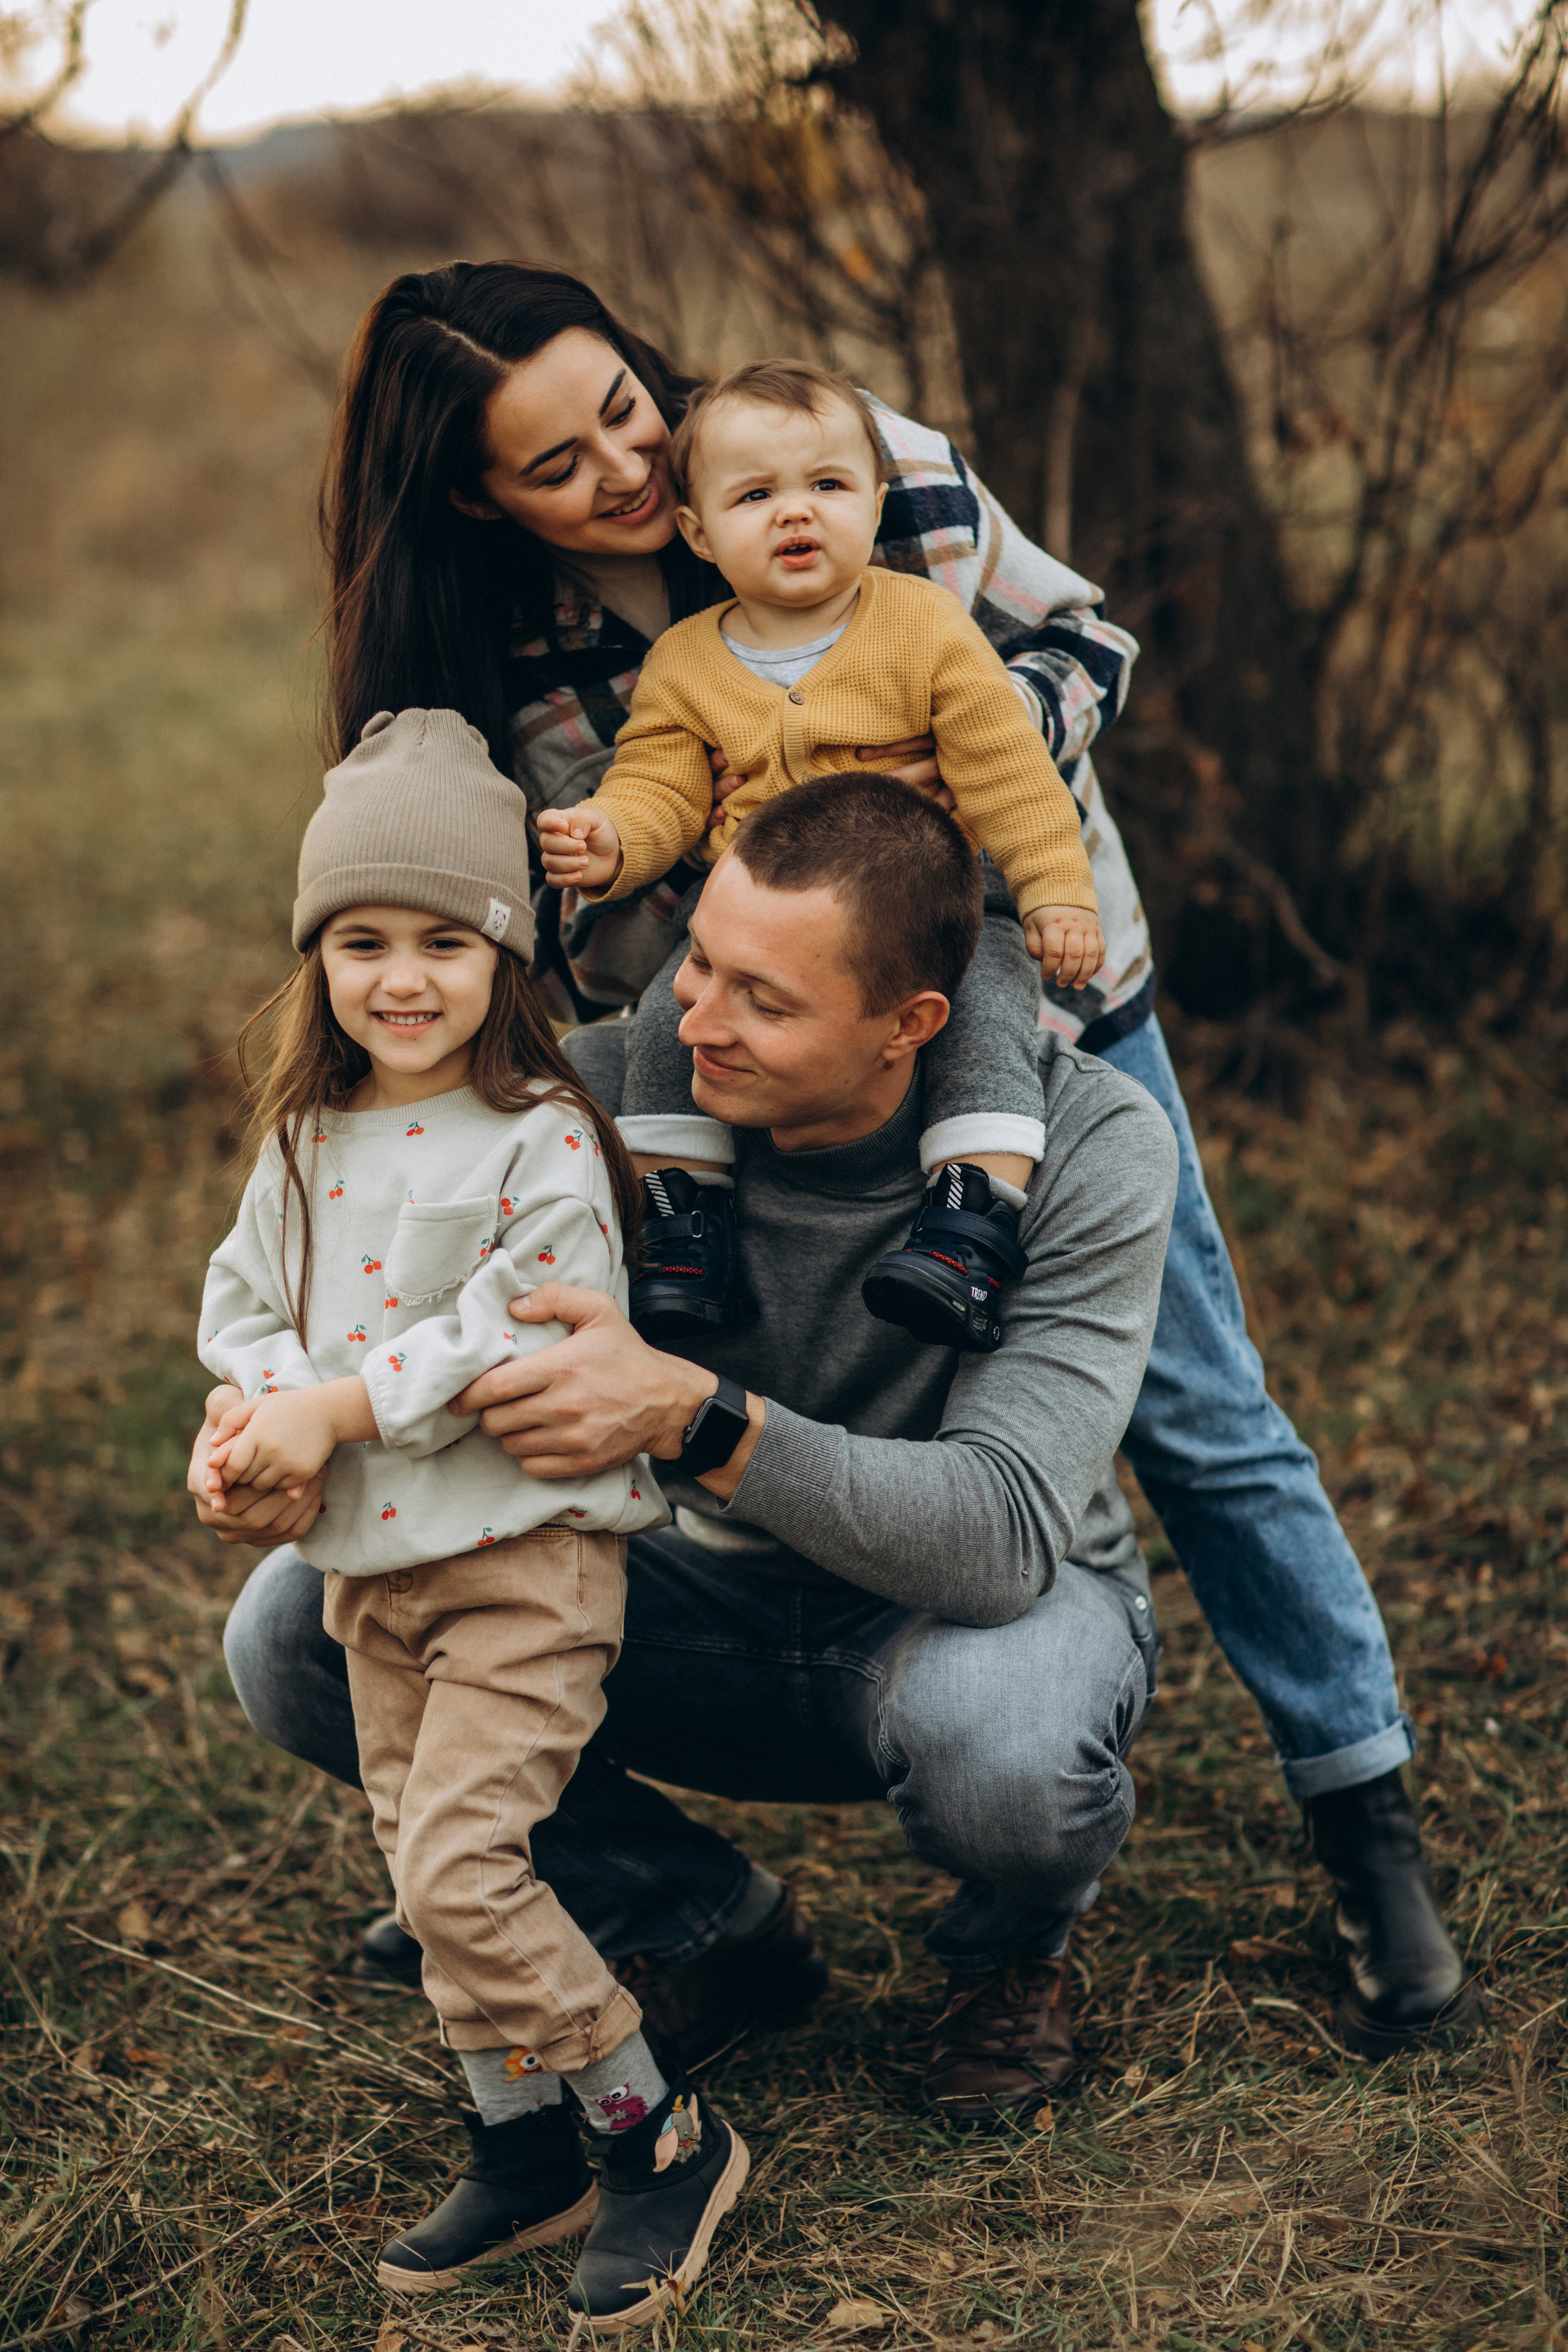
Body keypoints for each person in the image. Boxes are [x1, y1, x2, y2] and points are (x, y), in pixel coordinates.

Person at [233, 261, 1472, 2065]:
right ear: (477, 501)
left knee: (1199, 1405)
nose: (631, 471)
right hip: (744, 1046)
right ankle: (518, 1833)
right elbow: (583, 878)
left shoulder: (839, 453)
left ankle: (1363, 1817)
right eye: (561, 466)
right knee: (687, 1334)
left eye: (628, 413)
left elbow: (1089, 641)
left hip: (1028, 977)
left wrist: (926, 785)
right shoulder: (515, 645)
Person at [205, 775, 1183, 2248]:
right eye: (700, 963)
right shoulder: (592, 1096)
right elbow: (351, 1310)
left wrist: (691, 1416)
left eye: (763, 1003)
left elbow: (995, 1536)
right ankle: (696, 1922)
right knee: (298, 1631)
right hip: (675, 1594)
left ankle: (1006, 1957)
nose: (696, 1021)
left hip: (959, 1613)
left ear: (909, 1028)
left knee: (1014, 1744)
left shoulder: (1087, 1149)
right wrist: (265, 1428)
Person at [195, 706, 748, 2329]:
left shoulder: (545, 1140)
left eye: (444, 938)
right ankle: (526, 2143)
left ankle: (658, 2134)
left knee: (455, 1869)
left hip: (526, 1564)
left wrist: (335, 1408)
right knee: (410, 1842)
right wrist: (249, 1425)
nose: (402, 976)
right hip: (375, 1567)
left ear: (507, 951)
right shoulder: (303, 1140)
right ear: (319, 958)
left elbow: (510, 1328)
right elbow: (247, 1313)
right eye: (361, 940)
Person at [537, 360, 1104, 1354]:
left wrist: (1058, 892)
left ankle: (968, 1230)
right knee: (674, 1022)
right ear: (700, 533)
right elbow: (661, 784)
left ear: (876, 502)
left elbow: (1009, 773)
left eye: (828, 487)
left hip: (941, 901)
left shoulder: (922, 626)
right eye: (757, 496)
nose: (796, 515)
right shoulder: (686, 661)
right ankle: (683, 1224)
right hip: (753, 922)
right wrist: (613, 837)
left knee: (984, 1018)